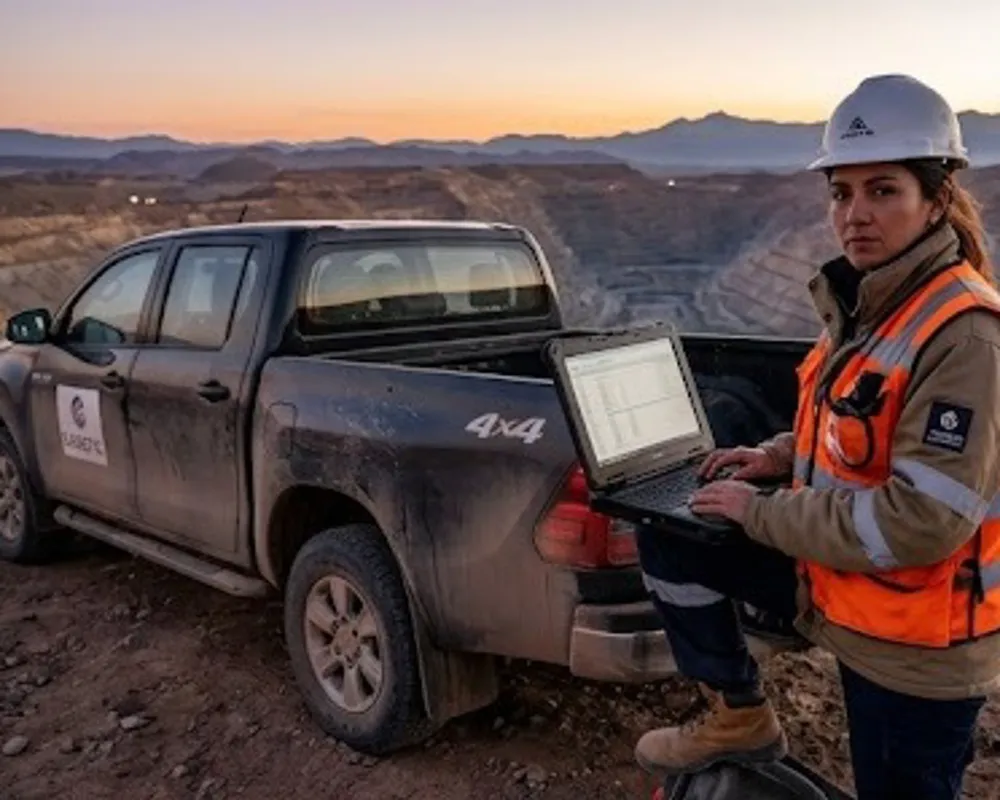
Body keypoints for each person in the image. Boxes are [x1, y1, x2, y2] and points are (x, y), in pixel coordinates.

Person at [633, 73, 1000, 800]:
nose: (855, 215)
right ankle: (739, 715)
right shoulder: (876, 304)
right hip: (847, 589)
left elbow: (922, 522)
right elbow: (851, 433)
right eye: (842, 192)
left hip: (915, 645)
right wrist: (772, 458)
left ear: (937, 199)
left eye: (883, 190)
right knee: (670, 527)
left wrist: (761, 514)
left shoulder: (964, 335)